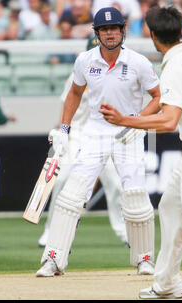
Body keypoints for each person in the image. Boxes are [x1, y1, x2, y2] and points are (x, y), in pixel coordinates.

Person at [100, 5, 182, 299]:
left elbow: (169, 121)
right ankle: (167, 283)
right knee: (170, 208)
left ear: (153, 35)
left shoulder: (174, 67)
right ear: (180, 30)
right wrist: (134, 120)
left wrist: (126, 120)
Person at [36, 6, 160, 277]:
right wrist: (64, 130)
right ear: (97, 34)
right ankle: (53, 259)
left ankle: (145, 259)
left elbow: (158, 96)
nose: (110, 34)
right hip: (95, 132)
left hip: (129, 134)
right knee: (72, 195)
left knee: (135, 195)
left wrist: (135, 120)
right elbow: (74, 94)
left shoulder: (138, 62)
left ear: (122, 30)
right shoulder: (85, 61)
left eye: (114, 28)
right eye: (105, 30)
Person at [38, 36, 128, 248]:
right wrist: (63, 132)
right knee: (61, 181)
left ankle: (125, 233)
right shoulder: (77, 73)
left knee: (116, 183)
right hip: (77, 134)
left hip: (105, 135)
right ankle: (51, 231)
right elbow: (68, 104)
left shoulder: (119, 75)